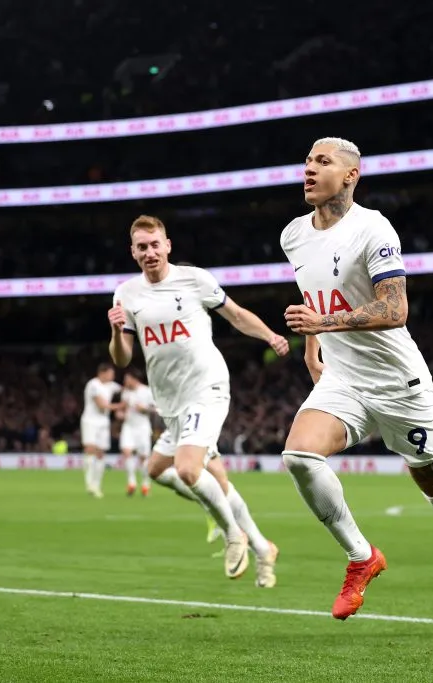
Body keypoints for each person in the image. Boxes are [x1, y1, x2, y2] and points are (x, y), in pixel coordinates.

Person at [280, 137, 433, 639]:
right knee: (299, 455)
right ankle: (362, 557)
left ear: (351, 175)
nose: (309, 169)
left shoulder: (373, 228)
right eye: (307, 160)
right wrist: (314, 341)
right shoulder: (293, 235)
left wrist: (324, 322)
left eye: (322, 161)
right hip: (344, 381)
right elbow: (318, 299)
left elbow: (395, 309)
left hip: (398, 383)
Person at [108, 214, 289, 584]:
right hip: (170, 402)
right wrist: (115, 331)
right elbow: (122, 358)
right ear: (133, 252)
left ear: (167, 245)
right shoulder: (126, 294)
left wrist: (270, 336)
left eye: (155, 244)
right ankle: (262, 546)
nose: (150, 252)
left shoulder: (194, 279)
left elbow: (236, 315)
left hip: (205, 388)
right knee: (160, 471)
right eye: (142, 247)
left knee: (189, 469)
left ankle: (233, 535)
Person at [80, 363, 123, 498]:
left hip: (103, 423)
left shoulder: (111, 385)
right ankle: (89, 483)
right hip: (90, 421)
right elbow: (101, 405)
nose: (113, 376)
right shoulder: (93, 385)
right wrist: (121, 406)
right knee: (90, 450)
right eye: (111, 373)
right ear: (102, 373)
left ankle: (97, 485)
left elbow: (124, 390)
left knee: (101, 453)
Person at [118, 367, 154, 497]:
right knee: (126, 452)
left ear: (134, 379)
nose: (125, 381)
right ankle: (131, 482)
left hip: (142, 427)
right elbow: (122, 407)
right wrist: (120, 414)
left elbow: (155, 409)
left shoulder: (147, 391)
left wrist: (144, 409)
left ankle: (145, 484)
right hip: (128, 426)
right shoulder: (126, 393)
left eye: (127, 379)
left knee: (143, 457)